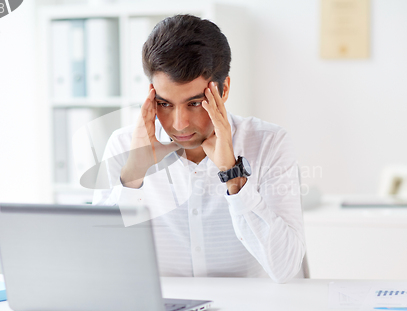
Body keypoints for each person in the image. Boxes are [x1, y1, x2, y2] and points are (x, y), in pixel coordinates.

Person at [92, 14, 305, 283]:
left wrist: (233, 176)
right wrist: (133, 177)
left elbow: (285, 269)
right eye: (165, 103)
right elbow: (100, 263)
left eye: (194, 103)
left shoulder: (269, 143)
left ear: (224, 89)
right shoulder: (124, 145)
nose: (179, 124)